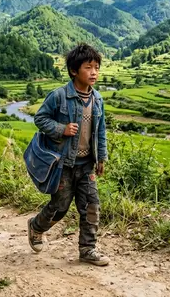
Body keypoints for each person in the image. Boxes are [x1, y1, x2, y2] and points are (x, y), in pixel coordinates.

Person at [27, 43, 109, 266]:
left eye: (97, 68)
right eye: (88, 67)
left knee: (91, 206)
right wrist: (60, 129)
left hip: (86, 165)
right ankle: (36, 227)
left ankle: (88, 250)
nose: (94, 72)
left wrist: (101, 157)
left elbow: (100, 131)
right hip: (63, 164)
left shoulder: (97, 99)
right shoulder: (59, 96)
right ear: (74, 70)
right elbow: (40, 119)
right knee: (60, 207)